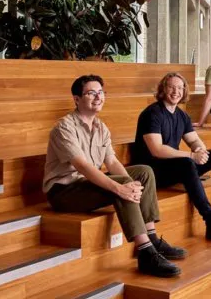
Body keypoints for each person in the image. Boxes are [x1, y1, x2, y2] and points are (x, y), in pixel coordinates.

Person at [43, 75, 186, 278]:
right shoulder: (64, 127)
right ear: (76, 99)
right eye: (91, 93)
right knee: (121, 184)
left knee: (144, 172)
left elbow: (112, 163)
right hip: (64, 192)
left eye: (101, 92)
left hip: (86, 184)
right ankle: (145, 252)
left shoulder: (101, 128)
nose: (98, 97)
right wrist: (120, 187)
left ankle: (152, 237)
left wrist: (131, 183)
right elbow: (82, 167)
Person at [134, 72, 211, 244]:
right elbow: (156, 150)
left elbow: (193, 139)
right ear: (163, 89)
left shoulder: (181, 115)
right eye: (171, 87)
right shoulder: (152, 113)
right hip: (154, 172)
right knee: (187, 162)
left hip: (176, 166)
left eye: (180, 88)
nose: (176, 91)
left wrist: (201, 152)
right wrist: (191, 155)